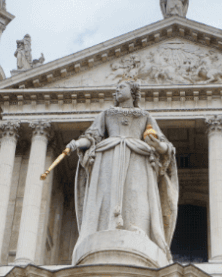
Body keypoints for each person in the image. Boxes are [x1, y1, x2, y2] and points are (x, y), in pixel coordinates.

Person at [67, 80, 178, 263]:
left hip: (137, 157)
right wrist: (76, 144)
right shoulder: (107, 114)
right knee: (107, 191)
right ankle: (105, 227)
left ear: (133, 92)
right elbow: (92, 136)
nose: (117, 90)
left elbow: (165, 145)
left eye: (122, 87)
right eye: (117, 87)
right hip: (108, 156)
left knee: (136, 193)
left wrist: (157, 145)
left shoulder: (144, 116)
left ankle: (137, 228)